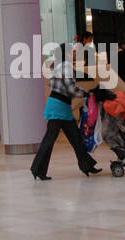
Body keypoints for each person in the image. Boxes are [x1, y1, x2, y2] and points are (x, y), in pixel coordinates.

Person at [30, 47, 101, 181]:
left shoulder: (59, 66)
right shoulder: (66, 66)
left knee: (76, 138)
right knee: (50, 140)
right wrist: (85, 93)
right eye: (72, 52)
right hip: (59, 108)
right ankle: (38, 169)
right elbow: (70, 87)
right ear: (66, 53)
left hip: (60, 106)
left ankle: (87, 165)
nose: (74, 53)